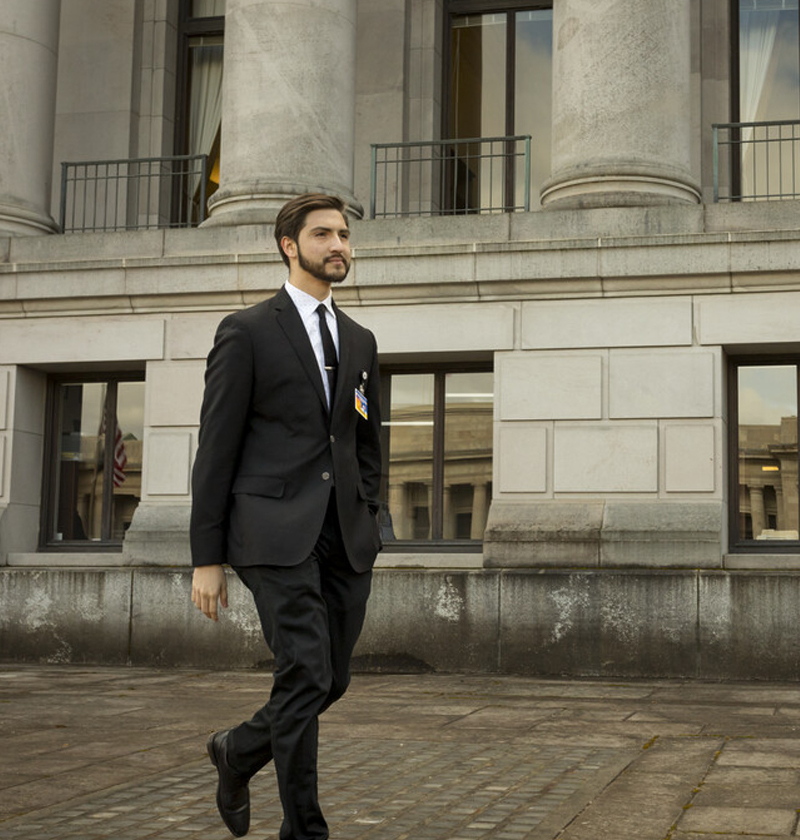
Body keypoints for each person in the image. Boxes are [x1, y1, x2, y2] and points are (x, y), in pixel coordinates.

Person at [189, 192, 382, 840]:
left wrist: (371, 510)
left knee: (327, 681)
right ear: (288, 245)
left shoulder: (359, 339)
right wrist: (205, 558)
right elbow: (216, 449)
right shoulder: (246, 331)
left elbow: (366, 439)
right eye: (324, 234)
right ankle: (306, 831)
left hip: (345, 539)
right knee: (306, 671)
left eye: (345, 235)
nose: (339, 246)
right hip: (271, 534)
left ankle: (238, 751)